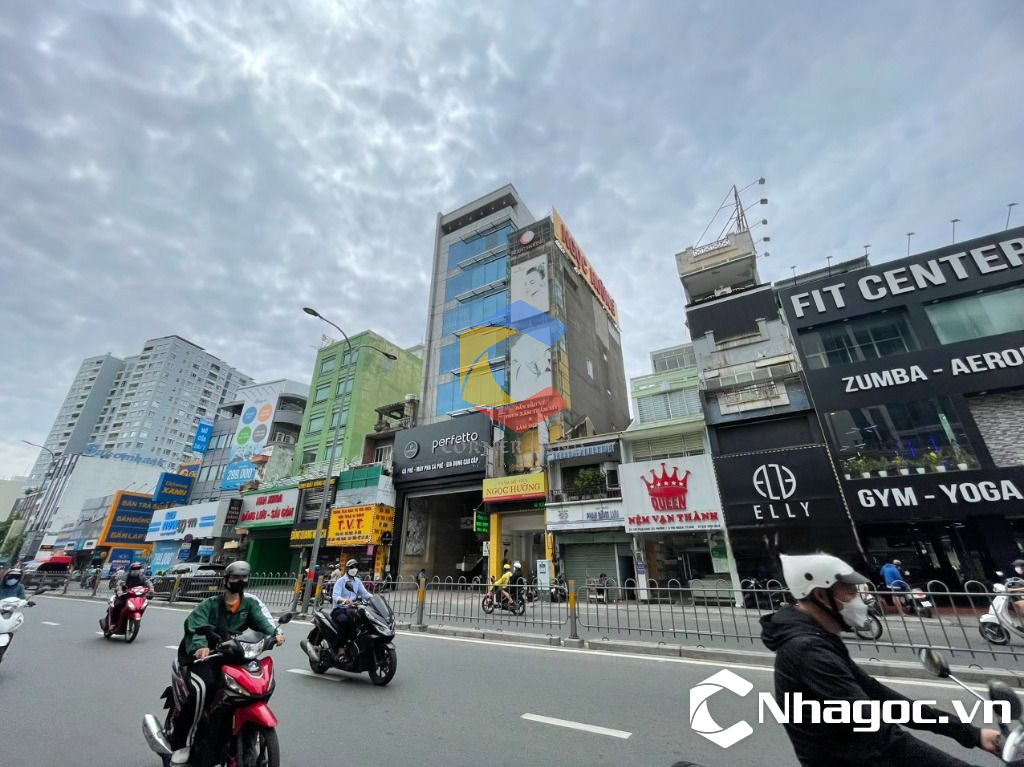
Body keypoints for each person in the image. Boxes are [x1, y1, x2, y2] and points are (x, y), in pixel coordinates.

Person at [761, 553, 1000, 767]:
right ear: (822, 596)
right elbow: (883, 736)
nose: (858, 600)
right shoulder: (808, 652)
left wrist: (971, 734)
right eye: (851, 593)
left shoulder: (821, 639)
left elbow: (882, 698)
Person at [167, 561, 284, 766]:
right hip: (206, 656)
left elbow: (263, 623)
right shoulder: (210, 604)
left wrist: (275, 634)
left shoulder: (249, 604)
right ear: (227, 579)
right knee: (204, 688)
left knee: (253, 684)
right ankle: (185, 742)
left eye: (244, 577)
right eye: (236, 577)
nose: (240, 581)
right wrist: (201, 646)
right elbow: (195, 627)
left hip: (233, 653)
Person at [331, 559, 373, 654]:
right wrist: (343, 600)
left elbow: (365, 594)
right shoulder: (341, 581)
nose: (354, 569)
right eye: (352, 567)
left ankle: (357, 645)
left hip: (352, 609)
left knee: (363, 621)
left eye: (356, 567)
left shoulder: (357, 581)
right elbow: (335, 596)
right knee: (344, 621)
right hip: (339, 609)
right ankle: (341, 647)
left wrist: (375, 598)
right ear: (347, 569)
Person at [106, 562, 154, 629]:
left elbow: (148, 582)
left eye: (138, 569)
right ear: (131, 569)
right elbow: (119, 584)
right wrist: (119, 591)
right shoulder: (125, 576)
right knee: (118, 605)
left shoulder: (142, 577)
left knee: (143, 605)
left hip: (137, 597)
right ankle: (113, 623)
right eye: (134, 569)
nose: (136, 570)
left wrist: (151, 589)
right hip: (125, 596)